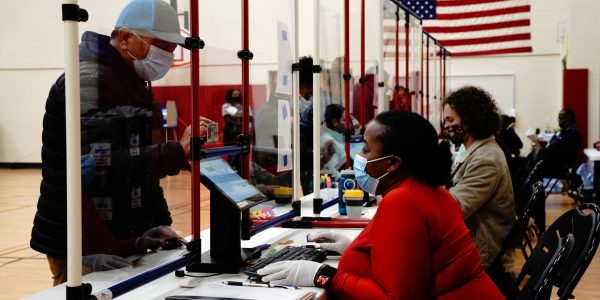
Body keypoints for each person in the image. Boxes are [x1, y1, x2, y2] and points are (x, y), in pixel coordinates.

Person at [30, 0, 202, 285]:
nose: (168, 57)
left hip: (120, 236)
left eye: (172, 50)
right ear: (124, 39)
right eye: (161, 47)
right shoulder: (88, 81)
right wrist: (175, 152)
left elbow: (143, 171)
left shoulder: (133, 83)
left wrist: (157, 222)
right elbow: (98, 163)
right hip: (82, 239)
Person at [257, 111, 505, 299]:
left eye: (366, 149)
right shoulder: (429, 190)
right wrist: (359, 250)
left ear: (393, 163)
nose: (359, 157)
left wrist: (322, 274)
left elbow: (396, 297)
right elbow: (411, 261)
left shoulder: (403, 201)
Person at [442, 86, 515, 270]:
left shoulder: (485, 159)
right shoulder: (479, 151)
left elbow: (453, 209)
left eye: (450, 120)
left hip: (480, 255)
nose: (446, 127)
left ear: (468, 120)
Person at [320, 104, 346, 179]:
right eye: (344, 120)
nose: (348, 124)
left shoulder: (340, 139)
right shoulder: (328, 140)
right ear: (335, 122)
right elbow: (334, 173)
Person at [496, 114, 524, 183]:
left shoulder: (500, 136)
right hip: (509, 168)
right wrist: (510, 130)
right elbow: (520, 145)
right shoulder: (504, 135)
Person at [222, 88, 243, 170]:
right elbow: (230, 118)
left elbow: (250, 118)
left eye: (238, 94)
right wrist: (239, 116)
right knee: (231, 157)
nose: (236, 96)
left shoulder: (244, 105)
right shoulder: (226, 106)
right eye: (234, 95)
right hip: (230, 135)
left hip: (241, 134)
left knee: (240, 159)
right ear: (230, 95)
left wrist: (237, 116)